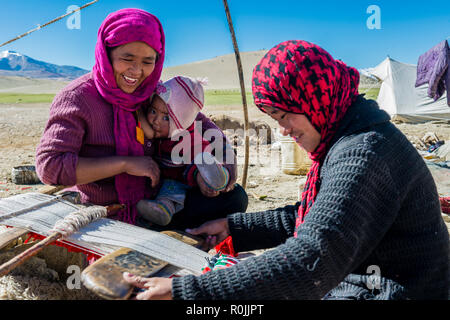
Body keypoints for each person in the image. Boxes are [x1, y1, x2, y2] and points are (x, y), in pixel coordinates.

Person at [123, 40, 449, 300]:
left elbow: (310, 262)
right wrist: (234, 228)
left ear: (310, 100)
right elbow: (317, 218)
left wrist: (187, 293)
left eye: (283, 116)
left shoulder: (363, 154)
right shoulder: (350, 136)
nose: (282, 130)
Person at [35, 8, 247, 231]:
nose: (136, 71)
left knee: (235, 198)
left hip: (154, 202)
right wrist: (125, 164)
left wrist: (225, 157)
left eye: (148, 61)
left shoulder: (151, 92)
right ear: (106, 53)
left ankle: (173, 230)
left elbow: (199, 122)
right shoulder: (77, 98)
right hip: (103, 213)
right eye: (127, 58)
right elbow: (51, 167)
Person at [136, 76, 231, 226]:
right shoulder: (164, 132)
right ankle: (162, 211)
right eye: (153, 111)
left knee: (201, 171)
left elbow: (201, 147)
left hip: (189, 167)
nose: (155, 121)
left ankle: (218, 177)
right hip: (173, 178)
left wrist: (138, 113)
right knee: (170, 191)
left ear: (180, 122)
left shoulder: (186, 136)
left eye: (166, 118)